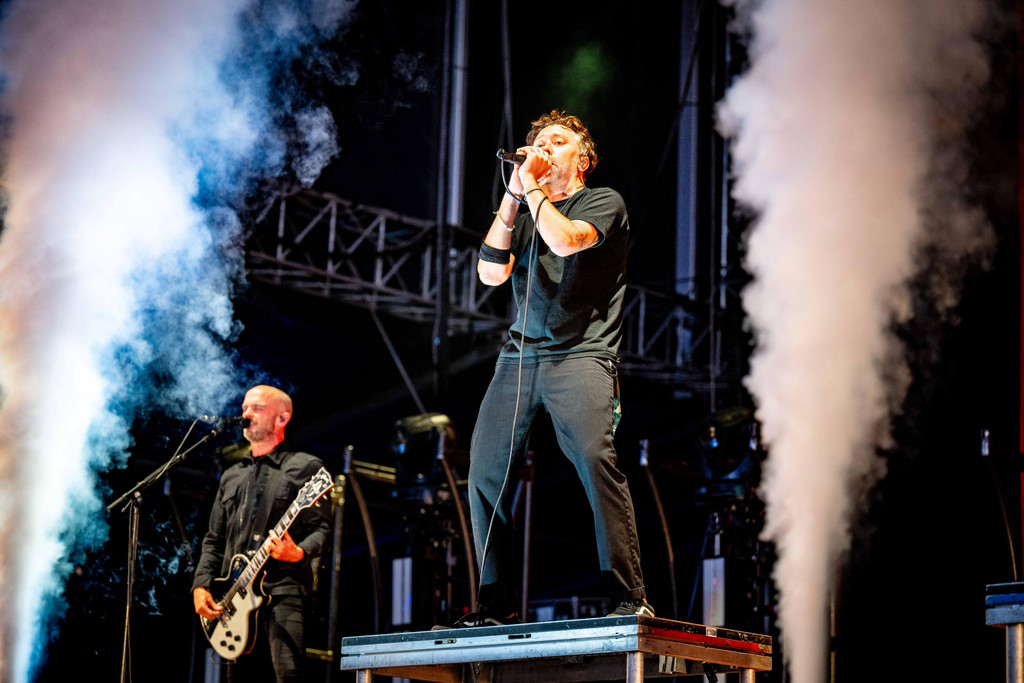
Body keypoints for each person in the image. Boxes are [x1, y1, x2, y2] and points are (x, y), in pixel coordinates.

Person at [460, 110, 653, 627]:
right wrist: (514, 193)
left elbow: (566, 240)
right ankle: (491, 605)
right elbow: (489, 273)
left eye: (557, 141)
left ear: (582, 161)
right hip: (519, 358)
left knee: (593, 458)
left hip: (583, 354)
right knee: (484, 470)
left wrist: (533, 191)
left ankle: (629, 595)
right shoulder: (526, 210)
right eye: (538, 141)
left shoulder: (604, 202)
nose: (543, 147)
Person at [192, 385, 331, 682]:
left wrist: (298, 552)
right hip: (234, 597)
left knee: (289, 674)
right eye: (244, 408)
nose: (246, 414)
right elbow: (214, 539)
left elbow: (322, 529)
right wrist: (201, 585)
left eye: (256, 408)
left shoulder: (305, 467)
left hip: (284, 591)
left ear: (282, 418)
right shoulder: (232, 476)